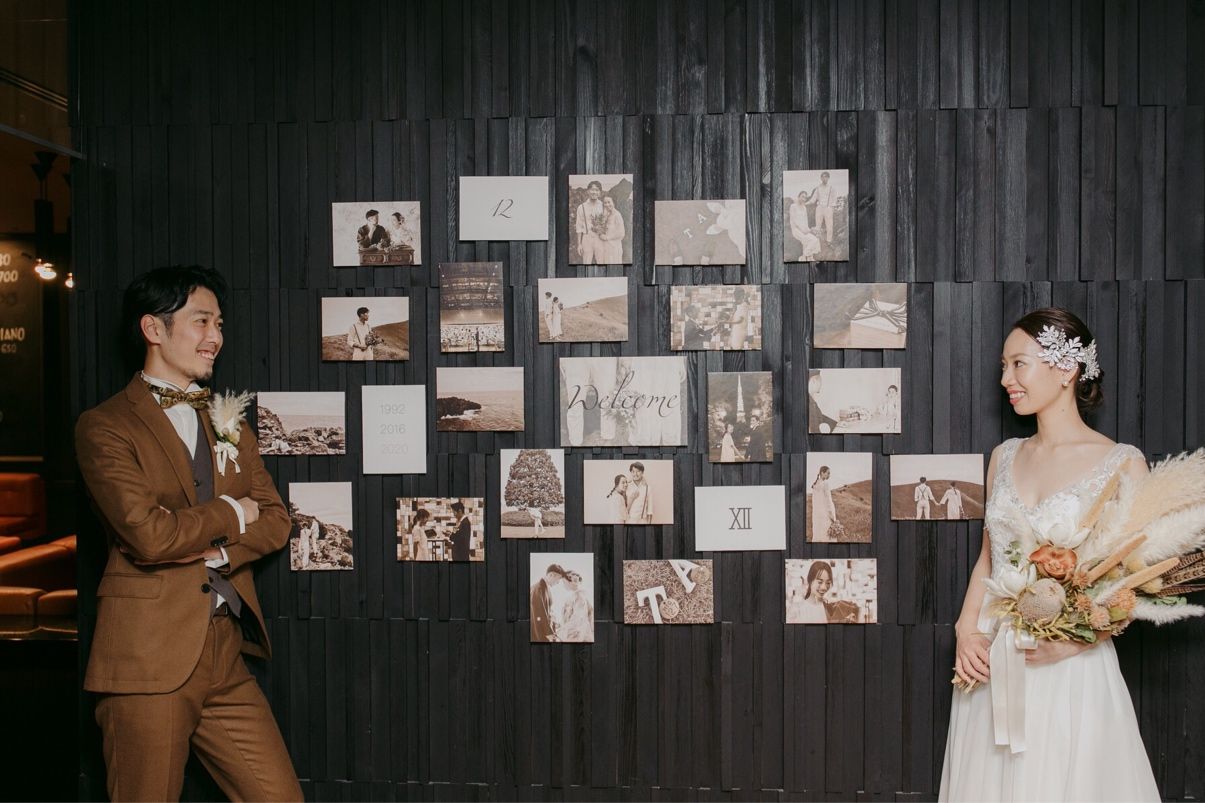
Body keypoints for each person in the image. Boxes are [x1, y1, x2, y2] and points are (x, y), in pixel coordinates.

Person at [74, 265, 301, 800]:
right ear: (153, 328)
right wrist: (232, 511)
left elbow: (276, 520)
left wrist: (217, 555)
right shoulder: (105, 426)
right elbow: (149, 536)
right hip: (146, 657)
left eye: (219, 324)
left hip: (225, 650)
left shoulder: (226, 418)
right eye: (201, 321)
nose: (215, 337)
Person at [940, 307, 1158, 801]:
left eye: (1019, 364)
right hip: (993, 660)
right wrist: (966, 630)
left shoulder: (1122, 463)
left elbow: (1135, 581)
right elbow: (989, 557)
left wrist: (1078, 642)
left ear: (1066, 370)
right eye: (1003, 366)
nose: (1006, 379)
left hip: (1068, 665)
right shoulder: (1004, 456)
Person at [530, 563, 568, 641]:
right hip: (539, 632)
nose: (558, 582)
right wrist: (549, 634)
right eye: (558, 579)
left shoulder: (544, 587)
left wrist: (554, 624)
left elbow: (547, 612)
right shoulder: (539, 588)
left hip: (543, 630)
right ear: (551, 575)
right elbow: (539, 614)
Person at [556, 571, 594, 642]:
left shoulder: (579, 596)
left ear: (571, 582)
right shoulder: (574, 596)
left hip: (579, 635)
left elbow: (578, 619)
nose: (564, 585)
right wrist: (560, 625)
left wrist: (560, 632)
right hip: (576, 633)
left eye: (564, 582)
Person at [574, 180, 606, 263]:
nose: (594, 192)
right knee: (586, 262)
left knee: (601, 262)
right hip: (586, 238)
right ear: (588, 191)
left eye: (597, 190)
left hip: (600, 238)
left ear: (600, 192)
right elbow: (579, 226)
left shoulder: (603, 206)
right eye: (592, 189)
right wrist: (579, 244)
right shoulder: (581, 207)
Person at [788, 190, 821, 261]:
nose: (804, 199)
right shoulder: (793, 206)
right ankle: (805, 256)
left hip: (804, 229)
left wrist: (809, 230)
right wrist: (802, 230)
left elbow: (805, 221)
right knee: (809, 241)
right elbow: (793, 221)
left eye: (805, 198)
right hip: (796, 230)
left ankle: (807, 257)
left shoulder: (804, 207)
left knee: (815, 239)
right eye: (802, 197)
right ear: (798, 197)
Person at [810, 466, 838, 542]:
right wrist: (831, 515)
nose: (829, 475)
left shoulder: (815, 485)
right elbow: (828, 501)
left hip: (817, 516)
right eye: (828, 473)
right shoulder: (825, 484)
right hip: (826, 515)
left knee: (819, 535)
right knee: (827, 536)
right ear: (822, 473)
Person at [599, 195, 626, 262]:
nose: (607, 204)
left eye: (609, 202)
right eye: (605, 203)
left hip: (614, 247)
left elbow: (621, 233)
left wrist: (607, 237)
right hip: (607, 246)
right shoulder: (607, 215)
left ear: (613, 203)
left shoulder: (617, 215)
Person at [812, 171, 836, 245]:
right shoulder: (818, 188)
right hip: (819, 208)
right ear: (821, 178)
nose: (824, 178)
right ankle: (816, 241)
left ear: (828, 178)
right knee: (818, 225)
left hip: (828, 208)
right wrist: (805, 203)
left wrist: (832, 209)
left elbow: (834, 200)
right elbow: (813, 199)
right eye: (822, 177)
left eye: (826, 177)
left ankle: (829, 241)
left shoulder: (831, 188)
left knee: (829, 225)